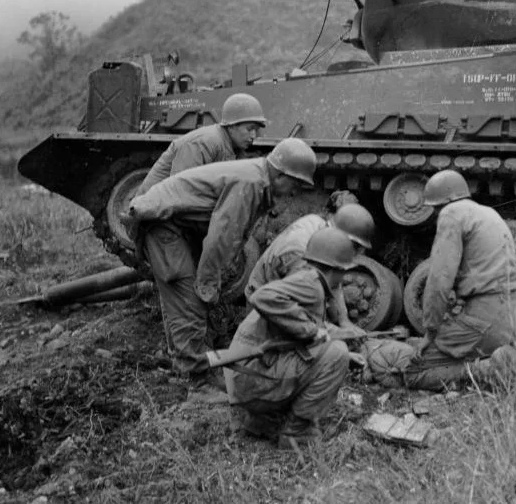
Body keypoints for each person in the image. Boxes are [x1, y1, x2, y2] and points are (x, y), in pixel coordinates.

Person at [124, 137, 317, 391]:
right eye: (296, 183)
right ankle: (197, 379)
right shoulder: (250, 183)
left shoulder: (258, 179)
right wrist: (207, 283)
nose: (295, 192)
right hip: (162, 224)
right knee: (188, 297)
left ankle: (184, 360)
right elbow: (221, 238)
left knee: (186, 296)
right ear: (281, 175)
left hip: (176, 223)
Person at [365, 169, 516, 390]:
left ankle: (488, 369)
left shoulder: (451, 213)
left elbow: (439, 280)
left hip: (486, 320)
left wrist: (430, 331)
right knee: (449, 350)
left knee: (413, 370)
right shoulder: (487, 213)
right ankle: (501, 356)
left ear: (440, 202)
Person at [226, 228, 356, 448]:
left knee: (337, 351)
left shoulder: (306, 278)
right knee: (338, 354)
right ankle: (297, 433)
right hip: (250, 378)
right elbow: (262, 296)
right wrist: (312, 332)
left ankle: (263, 420)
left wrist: (320, 333)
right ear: (337, 269)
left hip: (243, 374)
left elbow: (292, 330)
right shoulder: (311, 284)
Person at [245, 191, 375, 331]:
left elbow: (333, 282)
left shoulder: (325, 230)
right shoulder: (299, 251)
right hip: (267, 312)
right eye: (352, 244)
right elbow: (298, 309)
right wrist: (330, 331)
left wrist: (343, 320)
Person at [136, 92, 267, 195]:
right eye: (250, 129)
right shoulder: (204, 142)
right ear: (232, 126)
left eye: (256, 130)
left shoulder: (232, 146)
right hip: (157, 214)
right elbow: (180, 190)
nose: (253, 136)